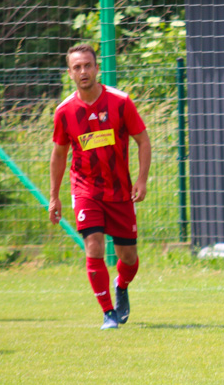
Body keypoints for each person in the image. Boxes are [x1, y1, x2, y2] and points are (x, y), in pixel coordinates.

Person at [49, 44, 152, 330]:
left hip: (119, 191)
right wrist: (54, 197)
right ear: (70, 73)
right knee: (94, 247)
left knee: (129, 258)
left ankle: (122, 285)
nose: (83, 71)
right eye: (77, 67)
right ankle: (108, 313)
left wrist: (141, 180)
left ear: (97, 68)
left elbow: (143, 140)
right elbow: (58, 154)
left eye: (87, 65)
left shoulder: (120, 102)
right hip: (86, 190)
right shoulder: (64, 111)